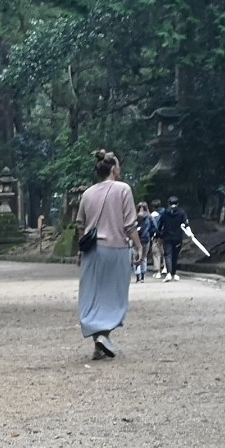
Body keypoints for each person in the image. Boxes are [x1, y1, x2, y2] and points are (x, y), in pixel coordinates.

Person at [76, 148, 138, 359]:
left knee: (93, 295)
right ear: (113, 169)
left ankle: (98, 343)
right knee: (112, 296)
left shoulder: (87, 194)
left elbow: (80, 226)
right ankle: (104, 336)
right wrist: (139, 247)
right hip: (116, 249)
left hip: (91, 251)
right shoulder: (123, 189)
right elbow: (130, 225)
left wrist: (79, 250)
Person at [135, 200, 153, 281]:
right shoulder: (149, 217)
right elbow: (155, 227)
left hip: (136, 238)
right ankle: (142, 276)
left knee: (136, 256)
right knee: (144, 257)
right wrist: (152, 234)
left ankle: (137, 275)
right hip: (146, 238)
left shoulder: (134, 217)